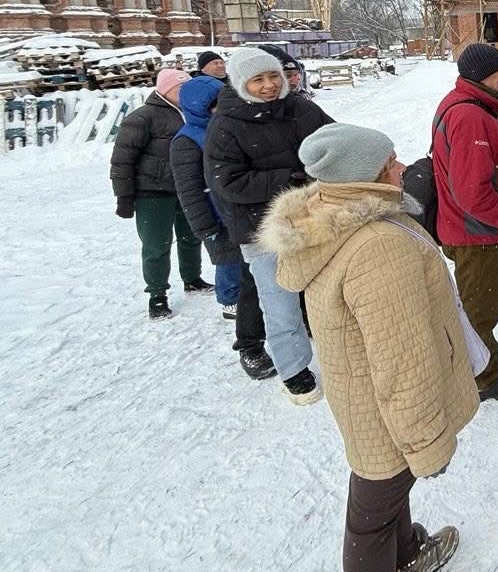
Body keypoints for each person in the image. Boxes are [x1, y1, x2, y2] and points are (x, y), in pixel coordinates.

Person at [264, 123, 478, 572]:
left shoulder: (332, 216)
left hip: (364, 401)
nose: (401, 167)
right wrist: (427, 442)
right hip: (388, 412)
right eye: (390, 162)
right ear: (366, 174)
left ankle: (406, 554)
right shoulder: (378, 246)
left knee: (386, 496)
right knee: (372, 518)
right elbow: (403, 361)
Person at [205, 48, 332, 404]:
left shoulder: (301, 109)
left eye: (273, 76)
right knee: (280, 302)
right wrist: (286, 179)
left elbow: (333, 139)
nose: (269, 85)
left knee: (324, 287)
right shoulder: (226, 125)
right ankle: (293, 369)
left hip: (312, 217)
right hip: (262, 228)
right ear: (240, 83)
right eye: (258, 79)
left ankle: (333, 342)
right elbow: (227, 182)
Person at [432, 43, 498, 402]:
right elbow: (473, 191)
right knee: (479, 310)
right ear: (484, 75)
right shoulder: (470, 116)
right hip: (474, 233)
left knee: (478, 304)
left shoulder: (465, 104)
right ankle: (485, 379)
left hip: (466, 228)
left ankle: (488, 358)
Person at [170, 74, 275, 381]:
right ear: (199, 108)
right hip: (224, 223)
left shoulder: (233, 127)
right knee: (246, 284)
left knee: (272, 276)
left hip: (253, 215)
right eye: (213, 105)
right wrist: (209, 231)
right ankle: (249, 344)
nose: (221, 108)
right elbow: (190, 193)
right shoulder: (187, 141)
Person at [110, 68, 211, 319]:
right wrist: (124, 196)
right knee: (156, 246)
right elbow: (122, 159)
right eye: (180, 89)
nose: (186, 93)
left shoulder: (195, 114)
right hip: (152, 193)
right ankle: (157, 295)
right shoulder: (143, 117)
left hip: (187, 189)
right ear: (165, 90)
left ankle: (192, 278)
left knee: (192, 236)